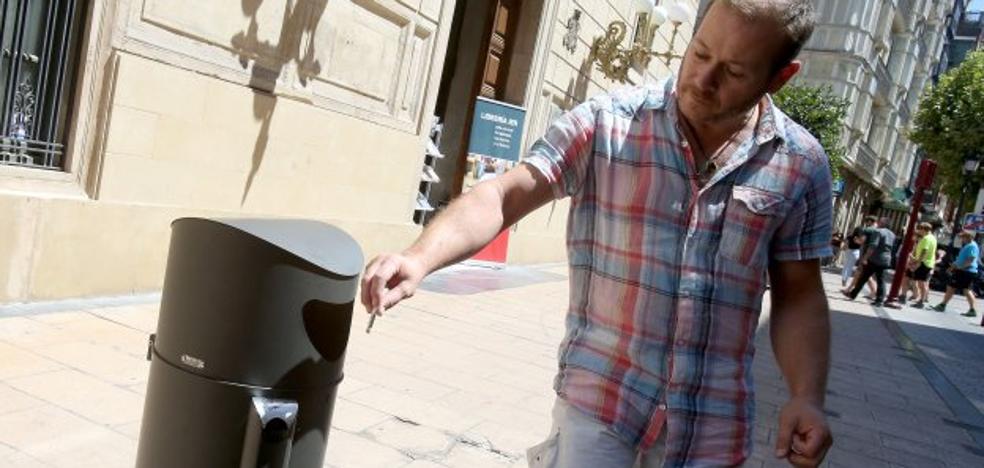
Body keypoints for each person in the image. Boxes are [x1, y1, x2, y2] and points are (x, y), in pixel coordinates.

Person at [362, 1, 834, 466]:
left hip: (712, 429)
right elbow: (505, 195)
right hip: (599, 410)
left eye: (733, 72)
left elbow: (798, 292)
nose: (702, 80)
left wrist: (806, 395)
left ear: (779, 78)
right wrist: (419, 257)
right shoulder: (609, 122)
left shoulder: (800, 165)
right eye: (700, 52)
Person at [842, 217, 895, 306]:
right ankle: (879, 300)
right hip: (886, 259)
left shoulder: (878, 232)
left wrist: (865, 257)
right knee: (880, 280)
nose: (878, 223)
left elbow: (873, 246)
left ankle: (853, 294)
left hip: (875, 259)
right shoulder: (892, 234)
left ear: (883, 223)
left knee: (864, 277)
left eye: (880, 222)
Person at [932, 230, 979, 317]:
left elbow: (971, 259)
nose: (961, 239)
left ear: (968, 237)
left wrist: (960, 267)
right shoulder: (968, 245)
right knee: (954, 287)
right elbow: (960, 260)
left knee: (964, 290)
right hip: (964, 271)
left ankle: (972, 310)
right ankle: (943, 305)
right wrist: (952, 267)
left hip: (966, 271)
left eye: (963, 237)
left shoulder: (972, 246)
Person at [901, 223, 936, 308]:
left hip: (922, 263)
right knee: (912, 279)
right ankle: (905, 296)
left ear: (924, 229)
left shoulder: (926, 238)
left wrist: (916, 262)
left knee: (920, 282)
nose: (919, 231)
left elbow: (924, 251)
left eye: (920, 229)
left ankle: (920, 301)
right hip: (925, 263)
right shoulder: (933, 238)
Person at [841, 217, 874, 287]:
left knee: (846, 265)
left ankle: (843, 278)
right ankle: (845, 280)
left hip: (848, 251)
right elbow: (861, 243)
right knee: (850, 266)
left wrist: (844, 248)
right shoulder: (860, 238)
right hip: (855, 252)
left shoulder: (849, 236)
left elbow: (845, 244)